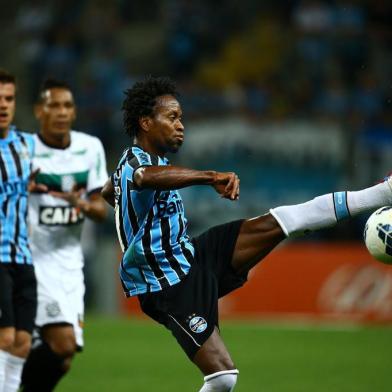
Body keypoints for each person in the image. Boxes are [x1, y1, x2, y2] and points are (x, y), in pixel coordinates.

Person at [101, 76, 392, 392]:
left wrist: (118, 197)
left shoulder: (141, 165)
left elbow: (109, 189)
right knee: (223, 378)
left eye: (180, 117)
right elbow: (144, 178)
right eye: (172, 118)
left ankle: (383, 193)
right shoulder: (136, 162)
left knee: (284, 220)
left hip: (193, 255)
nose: (180, 125)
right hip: (167, 285)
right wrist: (210, 176)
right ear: (145, 122)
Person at [21, 79, 108, 391]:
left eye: (67, 106)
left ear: (74, 113)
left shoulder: (90, 148)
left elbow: (102, 209)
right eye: (54, 105)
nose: (61, 112)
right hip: (31, 260)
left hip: (70, 265)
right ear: (39, 111)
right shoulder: (23, 149)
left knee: (64, 358)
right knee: (63, 344)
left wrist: (81, 203)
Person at [0, 69, 40, 392]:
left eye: (9, 98)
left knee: (23, 343)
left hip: (23, 256)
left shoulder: (27, 145)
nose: (3, 105)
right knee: (6, 336)